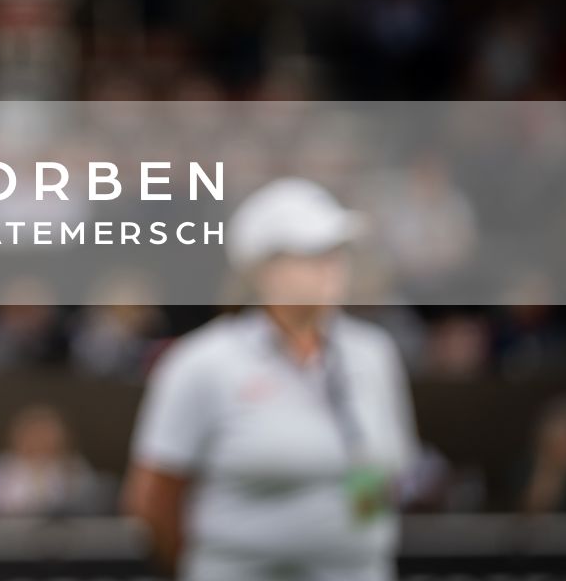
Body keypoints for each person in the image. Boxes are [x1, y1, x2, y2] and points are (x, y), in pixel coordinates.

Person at [121, 177, 418, 580]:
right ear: (263, 269)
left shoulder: (374, 354)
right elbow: (153, 500)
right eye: (312, 252)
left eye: (336, 251)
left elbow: (385, 477)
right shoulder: (202, 363)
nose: (331, 266)